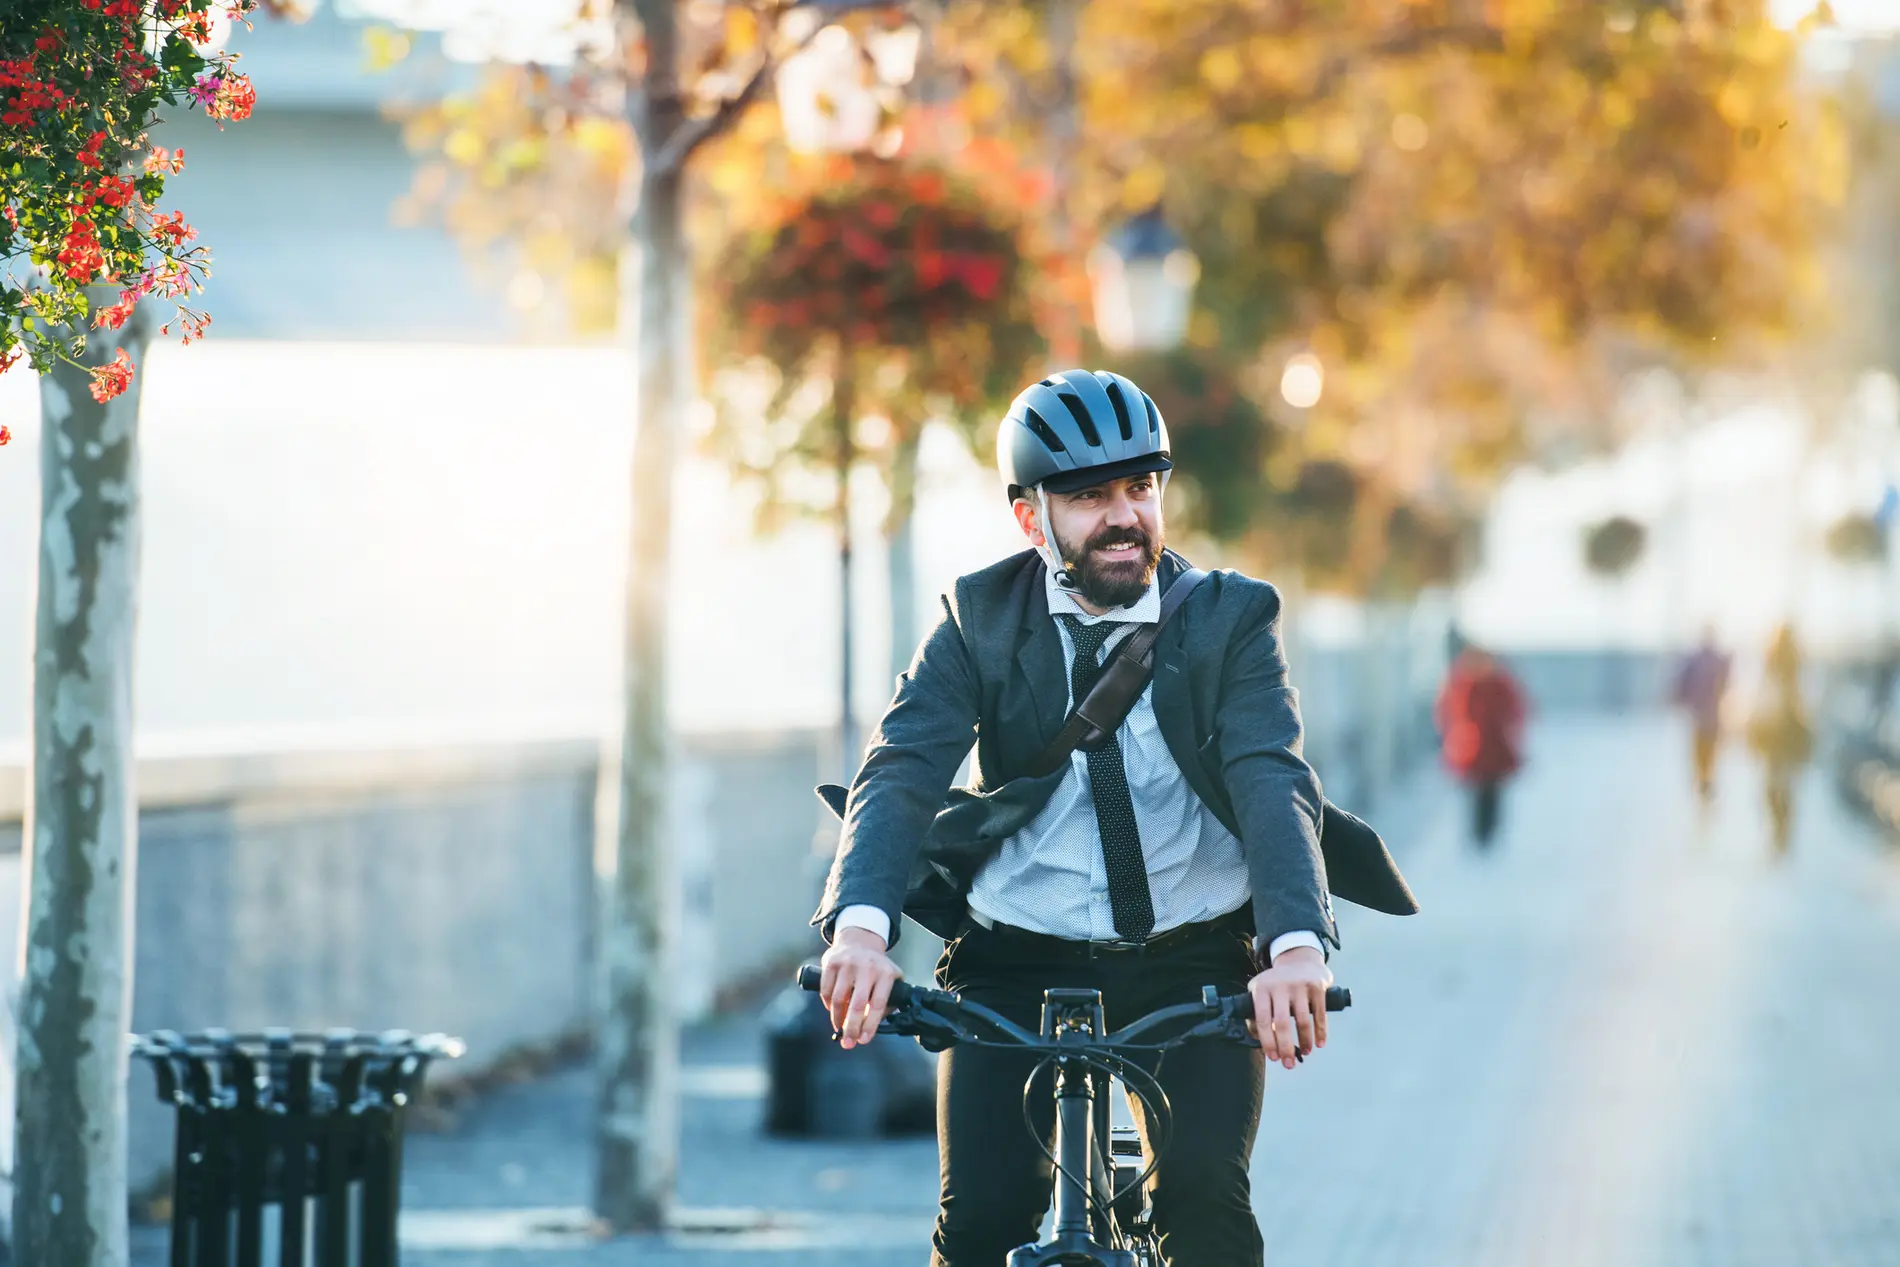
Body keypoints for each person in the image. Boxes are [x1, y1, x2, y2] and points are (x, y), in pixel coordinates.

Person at [810, 369, 1406, 1267]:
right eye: (1090, 497)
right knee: (979, 1223)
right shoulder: (980, 619)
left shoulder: (1229, 619)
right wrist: (860, 934)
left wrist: (1294, 952)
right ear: (1031, 518)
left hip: (1193, 955)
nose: (1124, 515)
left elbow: (1270, 777)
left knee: (1204, 1207)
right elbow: (900, 770)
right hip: (1014, 956)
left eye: (1141, 487)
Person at [1434, 644, 1528, 847]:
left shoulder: (1499, 685)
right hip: (1471, 750)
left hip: (1494, 750)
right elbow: (1447, 713)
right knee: (1476, 794)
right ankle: (1478, 833)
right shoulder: (1463, 685)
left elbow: (1515, 712)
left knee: (1492, 793)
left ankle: (1489, 831)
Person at [1746, 623, 1813, 856]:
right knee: (1781, 787)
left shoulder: (1786, 664)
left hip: (1778, 735)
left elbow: (1762, 697)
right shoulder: (1783, 663)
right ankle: (1781, 832)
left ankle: (1780, 832)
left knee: (1775, 786)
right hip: (1783, 735)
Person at [1672, 627, 1733, 807]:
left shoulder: (1695, 660)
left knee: (1702, 757)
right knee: (1709, 758)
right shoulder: (1716, 659)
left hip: (1700, 717)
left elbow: (1681, 687)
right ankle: (1706, 787)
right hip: (1711, 717)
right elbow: (1726, 683)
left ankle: (1703, 788)